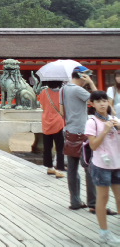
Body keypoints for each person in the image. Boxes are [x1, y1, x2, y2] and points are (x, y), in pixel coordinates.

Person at [60, 65, 109, 213]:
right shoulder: (78, 90)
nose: (89, 79)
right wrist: (92, 84)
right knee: (89, 167)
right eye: (88, 76)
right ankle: (93, 203)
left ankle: (75, 201)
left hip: (69, 130)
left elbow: (62, 110)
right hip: (82, 131)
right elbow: (99, 100)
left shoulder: (63, 89)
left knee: (72, 169)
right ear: (82, 76)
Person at [85, 90, 120, 245]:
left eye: (104, 100)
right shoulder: (92, 122)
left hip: (117, 164)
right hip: (101, 166)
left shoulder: (114, 119)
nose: (102, 104)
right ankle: (104, 232)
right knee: (103, 198)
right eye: (98, 101)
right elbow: (93, 145)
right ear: (92, 104)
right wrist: (105, 131)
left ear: (108, 102)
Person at [37, 80, 66, 178]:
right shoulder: (62, 93)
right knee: (60, 147)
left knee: (47, 146)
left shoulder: (44, 92)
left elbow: (41, 105)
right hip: (58, 121)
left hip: (46, 121)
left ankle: (49, 167)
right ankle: (59, 168)